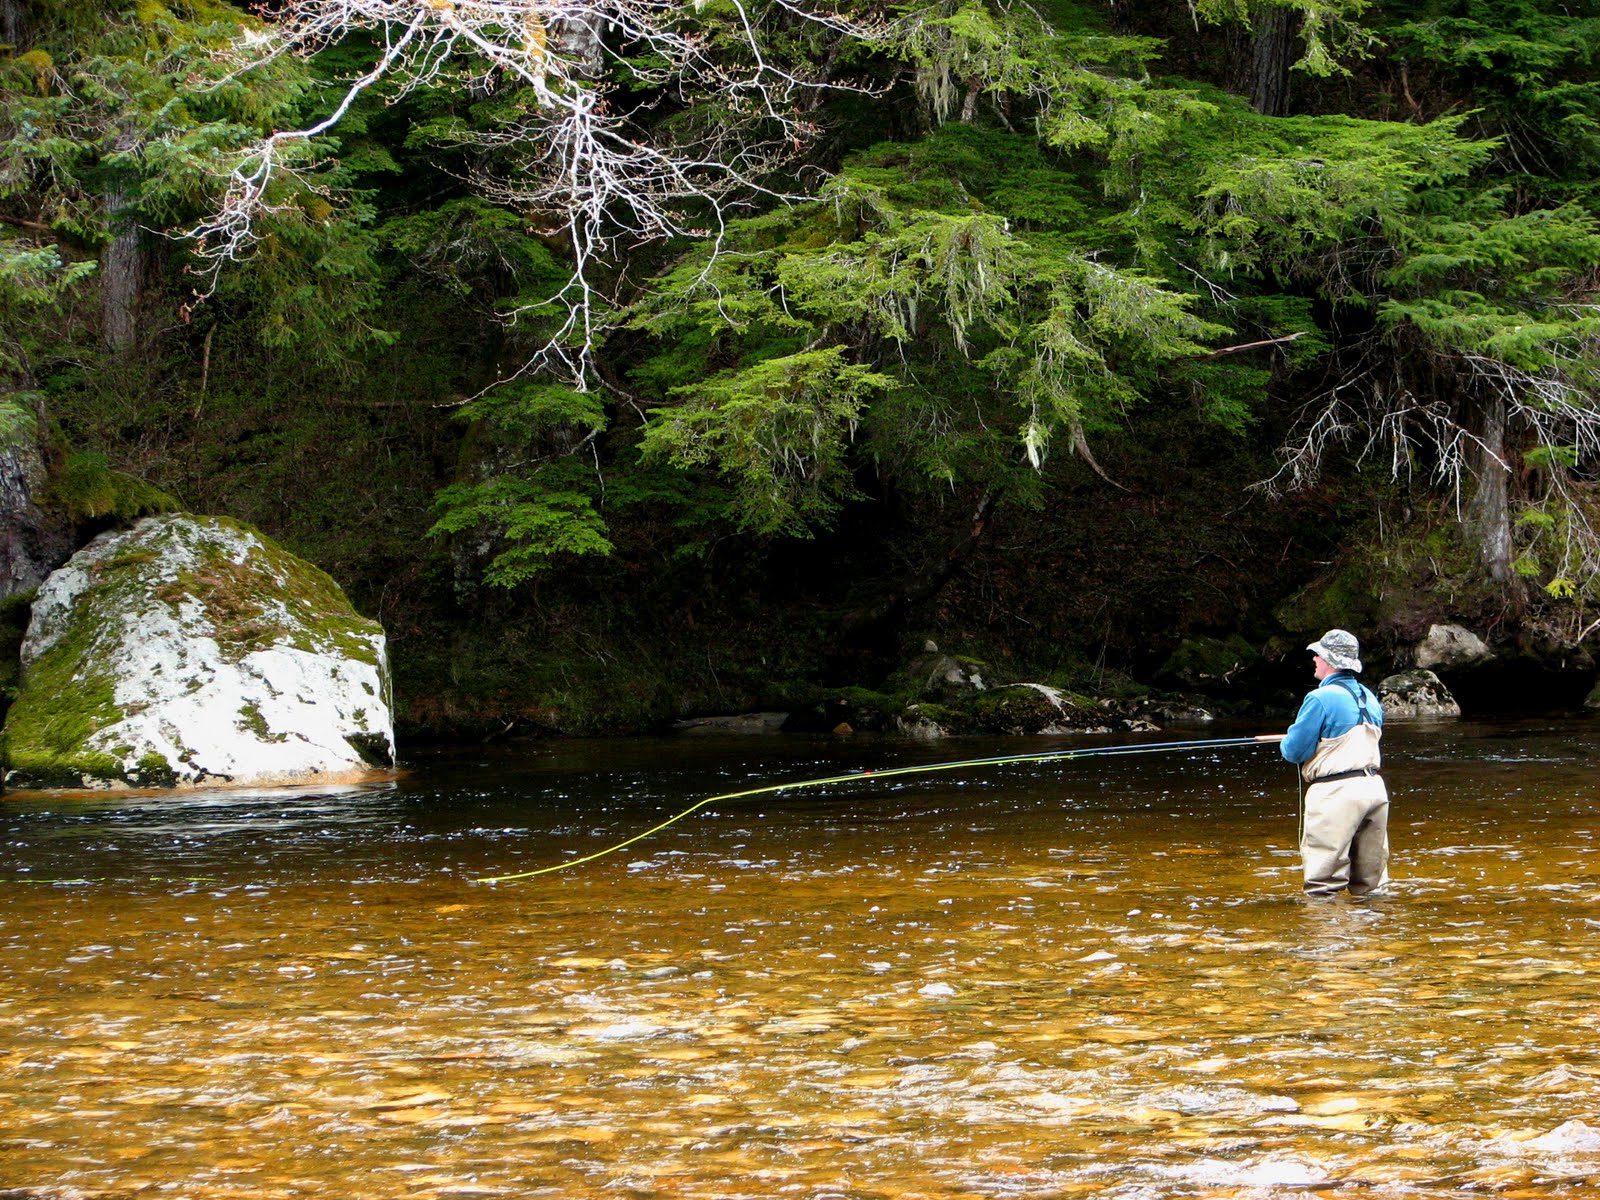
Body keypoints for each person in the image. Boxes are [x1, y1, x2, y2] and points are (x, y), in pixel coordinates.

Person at [1278, 629, 1388, 897]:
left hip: (1336, 794)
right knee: (1371, 885)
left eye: (1317, 654)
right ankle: (1376, 935)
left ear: (1328, 660)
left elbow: (1294, 751)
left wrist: (1288, 738)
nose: (1314, 658)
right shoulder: (1369, 697)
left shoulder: (1320, 698)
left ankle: (1327, 936)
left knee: (1323, 885)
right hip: (1374, 790)